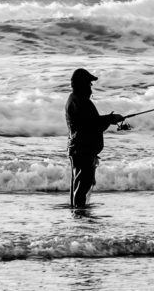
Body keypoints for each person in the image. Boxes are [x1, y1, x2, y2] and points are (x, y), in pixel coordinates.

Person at [65, 68, 123, 208]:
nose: (91, 87)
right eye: (89, 83)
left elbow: (92, 123)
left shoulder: (77, 100)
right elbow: (91, 124)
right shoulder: (79, 101)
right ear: (82, 84)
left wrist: (109, 119)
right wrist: (111, 118)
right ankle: (79, 214)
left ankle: (78, 213)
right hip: (82, 150)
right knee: (82, 185)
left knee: (80, 184)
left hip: (80, 149)